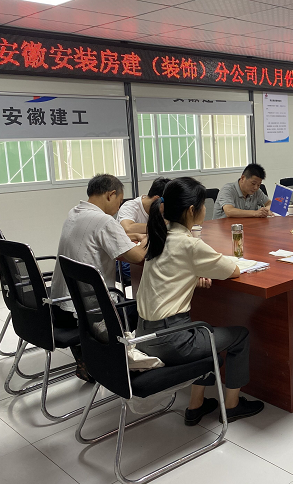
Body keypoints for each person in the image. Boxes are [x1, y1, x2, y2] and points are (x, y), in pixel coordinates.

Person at [138, 177, 264, 425]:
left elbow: (168, 273)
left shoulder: (159, 237)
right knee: (239, 336)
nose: (206, 208)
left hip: (144, 335)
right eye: (203, 205)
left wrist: (192, 274)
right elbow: (232, 270)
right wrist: (197, 269)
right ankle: (232, 406)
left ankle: (196, 405)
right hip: (172, 341)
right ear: (191, 210)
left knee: (203, 329)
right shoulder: (189, 244)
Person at [49, 174, 148, 380]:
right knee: (142, 308)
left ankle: (87, 353)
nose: (119, 207)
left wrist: (129, 237)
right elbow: (137, 256)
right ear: (111, 195)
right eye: (119, 201)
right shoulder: (104, 220)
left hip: (63, 304)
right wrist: (147, 239)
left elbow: (97, 236)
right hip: (90, 311)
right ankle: (131, 358)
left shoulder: (76, 212)